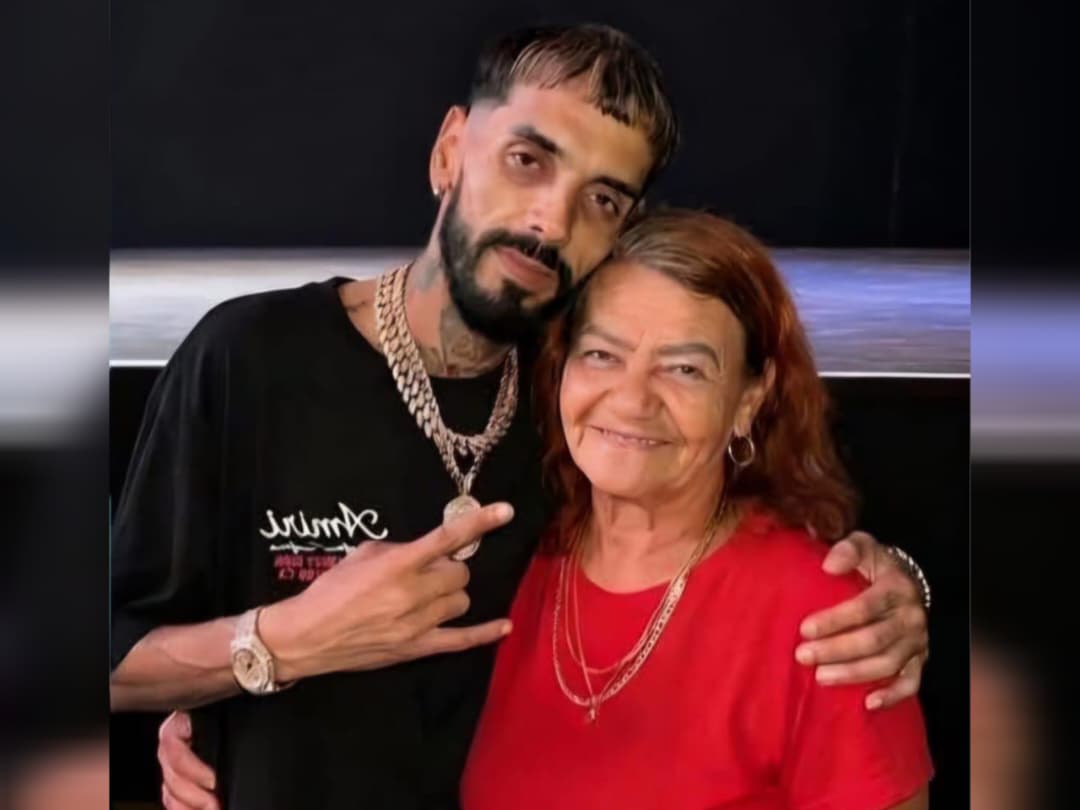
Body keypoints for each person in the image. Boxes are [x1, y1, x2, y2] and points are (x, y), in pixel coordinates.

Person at [111, 24, 931, 810]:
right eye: (527, 160)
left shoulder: (584, 402)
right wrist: (273, 645)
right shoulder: (253, 358)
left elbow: (732, 543)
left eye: (601, 198)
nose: (551, 221)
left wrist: (894, 585)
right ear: (449, 150)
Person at [461, 208, 933, 808]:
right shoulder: (511, 555)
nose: (632, 399)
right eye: (602, 354)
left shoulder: (833, 623)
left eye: (684, 369)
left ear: (749, 399)